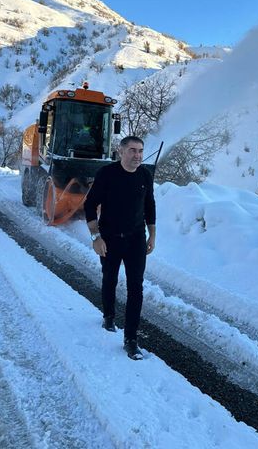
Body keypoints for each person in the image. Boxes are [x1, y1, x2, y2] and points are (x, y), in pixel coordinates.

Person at [83, 136, 156, 360]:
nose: (138, 155)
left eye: (141, 151)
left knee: (136, 286)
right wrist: (96, 237)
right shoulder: (107, 174)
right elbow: (89, 204)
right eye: (133, 150)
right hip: (110, 238)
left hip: (135, 239)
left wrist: (152, 234)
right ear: (121, 151)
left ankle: (131, 340)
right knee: (110, 278)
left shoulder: (145, 175)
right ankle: (108, 316)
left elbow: (149, 205)